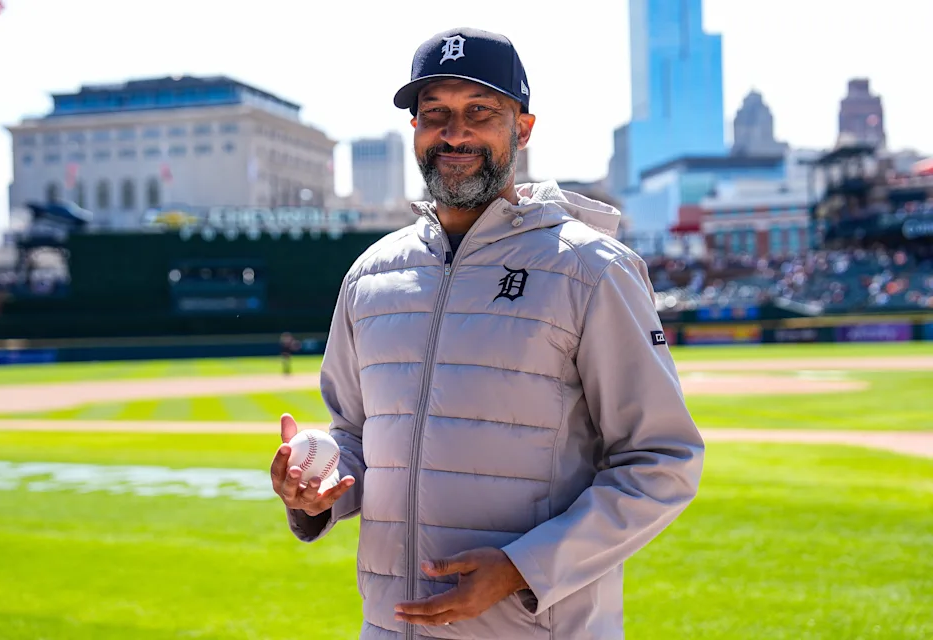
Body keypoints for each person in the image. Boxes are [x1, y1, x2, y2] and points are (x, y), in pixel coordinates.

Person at [270, 27, 704, 639]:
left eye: (480, 112)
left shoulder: (591, 269)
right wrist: (317, 491)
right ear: (416, 131)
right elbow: (356, 436)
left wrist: (523, 569)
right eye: (435, 115)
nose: (455, 133)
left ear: (522, 129)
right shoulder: (372, 276)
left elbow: (662, 460)